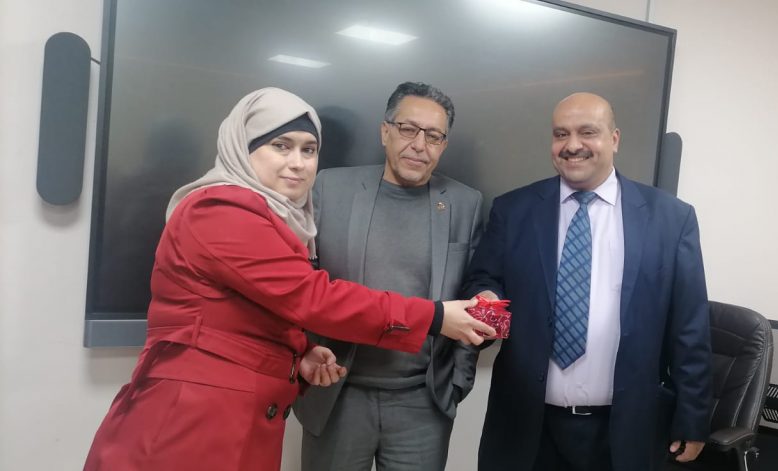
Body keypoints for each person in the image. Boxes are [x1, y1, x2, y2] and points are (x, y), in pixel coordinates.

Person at [83, 87, 495, 471]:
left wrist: (300, 353)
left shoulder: (271, 214)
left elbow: (261, 311)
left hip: (261, 412)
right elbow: (311, 296)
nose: (297, 162)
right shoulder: (221, 210)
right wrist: (436, 317)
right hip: (196, 416)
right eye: (280, 145)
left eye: (308, 150)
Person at [462, 92, 712, 470]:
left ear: (614, 139)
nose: (572, 145)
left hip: (625, 430)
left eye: (588, 132)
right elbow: (483, 278)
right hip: (527, 427)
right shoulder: (513, 210)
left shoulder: (670, 219)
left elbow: (690, 326)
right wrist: (485, 297)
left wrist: (693, 418)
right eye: (561, 134)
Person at [294, 82, 484, 471]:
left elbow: (475, 291)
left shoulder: (465, 203)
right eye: (408, 129)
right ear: (385, 132)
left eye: (433, 136)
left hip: (422, 402)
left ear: (444, 145)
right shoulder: (330, 187)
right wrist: (302, 351)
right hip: (338, 392)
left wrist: (458, 382)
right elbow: (298, 283)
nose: (419, 145)